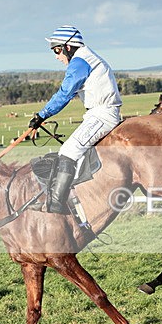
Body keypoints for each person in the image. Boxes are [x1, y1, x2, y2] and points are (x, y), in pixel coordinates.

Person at [28, 25, 123, 214]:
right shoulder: (86, 57)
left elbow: (65, 93)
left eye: (57, 50)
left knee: (68, 151)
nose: (56, 56)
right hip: (98, 113)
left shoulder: (80, 62)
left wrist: (42, 115)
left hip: (102, 114)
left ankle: (56, 204)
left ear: (68, 47)